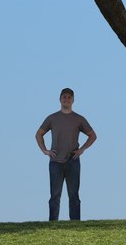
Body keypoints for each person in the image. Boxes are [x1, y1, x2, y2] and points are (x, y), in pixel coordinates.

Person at [35, 87, 96, 221]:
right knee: (54, 196)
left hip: (72, 161)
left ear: (73, 100)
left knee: (74, 196)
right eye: (64, 97)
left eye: (69, 97)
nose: (66, 99)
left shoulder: (79, 119)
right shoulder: (52, 118)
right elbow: (39, 134)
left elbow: (92, 135)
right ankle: (53, 224)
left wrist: (82, 149)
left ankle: (75, 224)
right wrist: (45, 150)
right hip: (55, 162)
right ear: (60, 99)